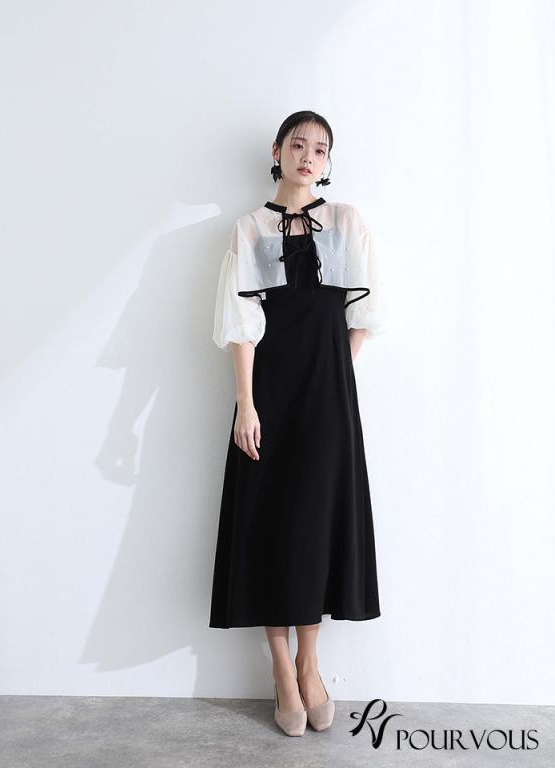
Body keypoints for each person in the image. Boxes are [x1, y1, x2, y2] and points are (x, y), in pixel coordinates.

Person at [208, 110, 386, 737]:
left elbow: (364, 314)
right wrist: (246, 402)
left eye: (321, 149)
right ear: (277, 151)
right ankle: (282, 670)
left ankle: (311, 665)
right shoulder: (250, 228)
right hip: (269, 396)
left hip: (327, 397)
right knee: (269, 523)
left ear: (327, 162)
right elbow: (241, 327)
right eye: (298, 144)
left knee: (314, 525)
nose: (309, 156)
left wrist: (337, 375)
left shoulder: (347, 221)